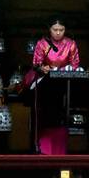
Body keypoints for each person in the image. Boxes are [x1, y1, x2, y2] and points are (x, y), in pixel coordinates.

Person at [30, 17, 80, 155]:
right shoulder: (42, 44)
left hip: (65, 83)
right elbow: (36, 64)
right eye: (55, 30)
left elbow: (75, 64)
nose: (58, 33)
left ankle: (62, 146)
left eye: (61, 30)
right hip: (46, 84)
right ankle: (43, 147)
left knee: (62, 110)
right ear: (49, 30)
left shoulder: (71, 44)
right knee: (45, 110)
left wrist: (65, 69)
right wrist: (43, 68)